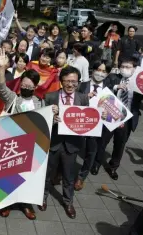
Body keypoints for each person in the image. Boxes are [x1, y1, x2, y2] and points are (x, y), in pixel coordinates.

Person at [0, 49, 44, 219]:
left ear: (35, 87)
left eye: (29, 86)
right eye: (23, 84)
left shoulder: (41, 102)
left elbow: (46, 123)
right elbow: (1, 87)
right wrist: (2, 68)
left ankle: (26, 204)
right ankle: (7, 203)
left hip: (32, 147)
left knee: (28, 178)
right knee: (9, 176)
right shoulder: (13, 99)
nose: (25, 87)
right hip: (12, 145)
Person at [40, 67, 89, 219]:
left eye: (73, 81)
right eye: (67, 81)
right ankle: (42, 197)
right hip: (53, 141)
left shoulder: (83, 98)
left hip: (72, 144)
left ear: (78, 83)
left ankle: (68, 202)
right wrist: (50, 117)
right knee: (47, 173)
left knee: (69, 176)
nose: (70, 84)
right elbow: (41, 120)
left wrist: (100, 116)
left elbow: (87, 120)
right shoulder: (50, 97)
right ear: (61, 82)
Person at [99, 58, 143, 179]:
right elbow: (103, 87)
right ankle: (96, 163)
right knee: (103, 141)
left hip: (128, 118)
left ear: (135, 69)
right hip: (111, 113)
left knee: (120, 144)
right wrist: (116, 87)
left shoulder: (139, 83)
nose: (125, 69)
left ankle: (113, 167)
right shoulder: (114, 77)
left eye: (128, 67)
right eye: (123, 66)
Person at [75, 62, 112, 191]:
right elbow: (74, 101)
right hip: (80, 122)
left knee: (91, 152)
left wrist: (108, 115)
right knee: (73, 148)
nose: (100, 73)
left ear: (107, 74)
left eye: (103, 71)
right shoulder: (82, 85)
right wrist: (85, 97)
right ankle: (62, 172)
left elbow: (114, 108)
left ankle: (81, 177)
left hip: (97, 125)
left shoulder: (110, 88)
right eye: (98, 69)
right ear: (93, 70)